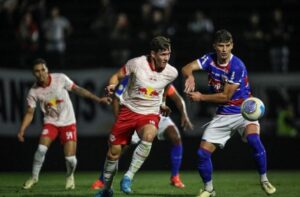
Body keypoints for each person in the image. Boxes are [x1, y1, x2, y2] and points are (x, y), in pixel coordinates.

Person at [181, 29, 276, 197]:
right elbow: (187, 67)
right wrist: (190, 76)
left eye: (227, 45)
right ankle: (209, 189)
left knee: (254, 140)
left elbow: (225, 97)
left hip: (244, 111)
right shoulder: (209, 59)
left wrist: (201, 97)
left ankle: (264, 180)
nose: (224, 50)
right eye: (220, 46)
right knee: (202, 153)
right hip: (223, 114)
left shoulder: (237, 65)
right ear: (214, 46)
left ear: (232, 46)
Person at [95, 36, 178, 197]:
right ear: (153, 54)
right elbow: (117, 76)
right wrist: (112, 85)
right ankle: (106, 189)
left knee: (149, 135)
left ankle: (128, 177)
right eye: (163, 54)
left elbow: (164, 88)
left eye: (168, 54)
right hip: (128, 111)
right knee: (113, 153)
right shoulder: (136, 63)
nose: (166, 58)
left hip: (149, 113)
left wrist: (162, 103)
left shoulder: (171, 72)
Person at [17, 58, 111, 190]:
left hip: (68, 121)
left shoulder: (60, 78)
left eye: (43, 69)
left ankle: (69, 176)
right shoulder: (33, 91)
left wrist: (98, 99)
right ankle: (34, 177)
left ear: (47, 69)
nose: (41, 73)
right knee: (41, 149)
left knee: (70, 159)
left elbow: (78, 90)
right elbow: (29, 113)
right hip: (51, 122)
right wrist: (22, 130)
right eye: (37, 71)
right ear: (34, 74)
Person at [91, 78, 193, 190]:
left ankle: (175, 177)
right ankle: (102, 179)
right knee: (120, 148)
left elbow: (178, 99)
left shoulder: (162, 79)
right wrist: (115, 87)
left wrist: (184, 114)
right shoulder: (138, 75)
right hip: (138, 115)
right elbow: (125, 84)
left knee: (175, 137)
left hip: (157, 114)